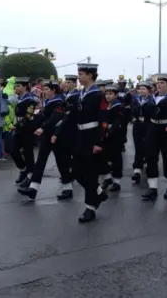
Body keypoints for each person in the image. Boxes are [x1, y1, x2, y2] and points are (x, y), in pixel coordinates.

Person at [58, 63, 108, 222]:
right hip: (80, 136)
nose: (78, 77)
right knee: (77, 172)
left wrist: (99, 142)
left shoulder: (98, 94)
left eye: (81, 74)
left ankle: (90, 208)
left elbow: (103, 120)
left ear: (91, 75)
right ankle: (98, 192)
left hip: (92, 136)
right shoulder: (81, 94)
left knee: (90, 172)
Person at [17, 79, 65, 199]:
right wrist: (34, 118)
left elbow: (55, 117)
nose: (44, 91)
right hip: (47, 135)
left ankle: (68, 186)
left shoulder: (58, 101)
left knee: (62, 162)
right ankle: (33, 188)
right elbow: (43, 116)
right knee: (40, 162)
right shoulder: (48, 102)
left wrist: (42, 127)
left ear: (53, 90)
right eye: (43, 89)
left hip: (56, 135)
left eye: (47, 89)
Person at [142, 73, 167, 201]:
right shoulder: (152, 97)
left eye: (162, 83)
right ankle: (152, 188)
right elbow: (147, 115)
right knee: (151, 157)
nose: (159, 85)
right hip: (153, 129)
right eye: (158, 83)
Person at [51, 74, 79, 200]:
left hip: (73, 131)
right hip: (65, 131)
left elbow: (68, 117)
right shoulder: (66, 96)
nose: (66, 85)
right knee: (64, 159)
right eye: (65, 82)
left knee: (76, 160)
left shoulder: (76, 97)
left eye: (69, 82)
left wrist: (57, 132)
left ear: (74, 83)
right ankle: (67, 186)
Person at [10, 77, 39, 188]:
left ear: (25, 87)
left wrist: (17, 125)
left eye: (18, 86)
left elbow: (28, 115)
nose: (15, 88)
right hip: (19, 128)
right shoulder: (20, 98)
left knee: (28, 153)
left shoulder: (31, 99)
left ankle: (30, 176)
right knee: (12, 149)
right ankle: (23, 169)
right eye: (15, 86)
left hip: (27, 129)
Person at [100, 84, 129, 192]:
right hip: (104, 135)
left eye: (110, 94)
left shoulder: (119, 107)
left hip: (116, 136)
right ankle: (107, 178)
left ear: (115, 95)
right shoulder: (104, 106)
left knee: (116, 158)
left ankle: (117, 181)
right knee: (102, 157)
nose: (108, 96)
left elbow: (118, 122)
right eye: (106, 94)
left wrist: (110, 131)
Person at [130, 81, 153, 184]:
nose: (141, 91)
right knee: (138, 148)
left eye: (143, 89)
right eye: (139, 89)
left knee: (149, 148)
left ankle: (150, 168)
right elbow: (130, 111)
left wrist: (147, 119)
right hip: (137, 126)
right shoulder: (135, 99)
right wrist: (133, 118)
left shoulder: (152, 100)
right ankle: (137, 171)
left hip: (148, 126)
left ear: (148, 90)